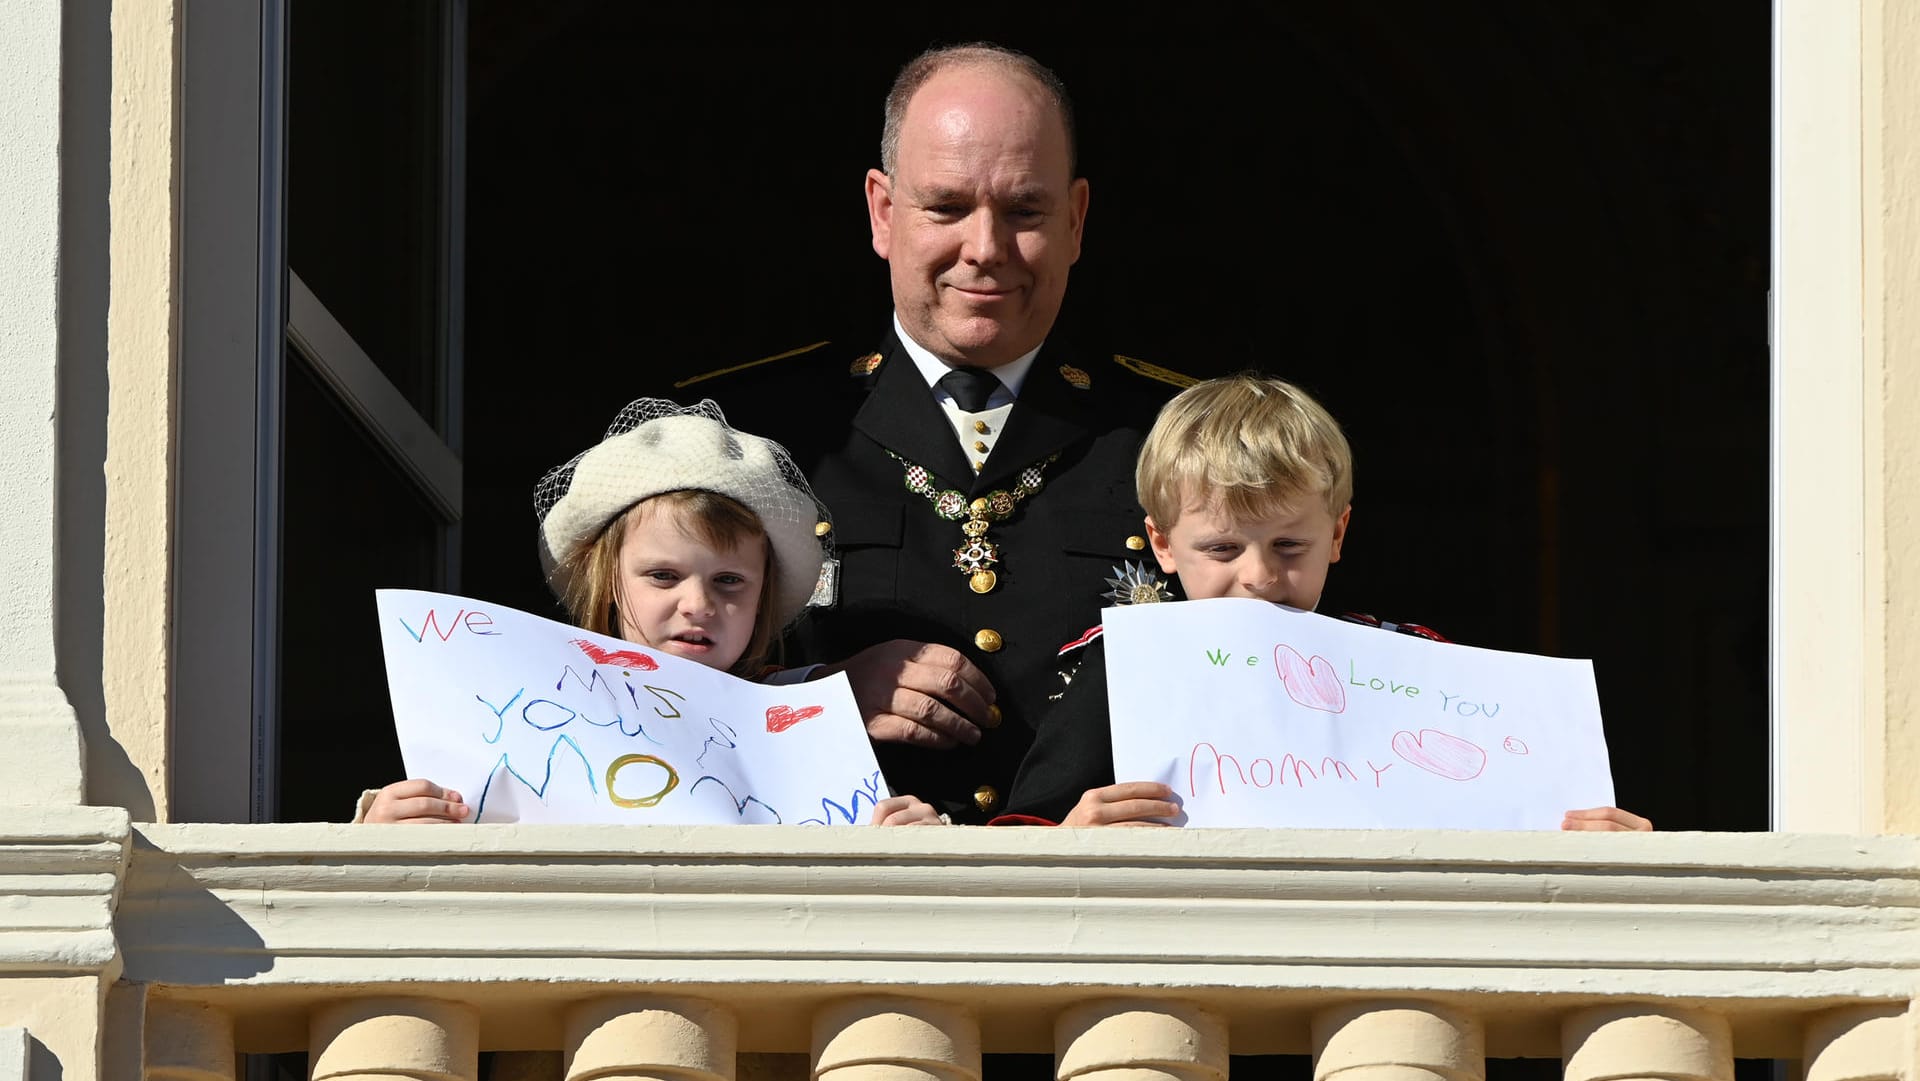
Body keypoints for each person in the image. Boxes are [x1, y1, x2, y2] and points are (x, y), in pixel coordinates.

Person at [674, 43, 1185, 823]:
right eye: (946, 207)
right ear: (883, 212)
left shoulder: (1176, 437)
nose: (984, 248)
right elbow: (637, 700)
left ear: (1077, 219)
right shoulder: (751, 435)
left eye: (1025, 211)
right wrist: (821, 699)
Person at [998, 374, 1654, 831]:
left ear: (1337, 534)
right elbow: (1021, 839)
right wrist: (1069, 834)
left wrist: (1593, 843)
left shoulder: (1418, 661)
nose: (1257, 575)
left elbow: (1519, 822)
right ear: (1163, 544)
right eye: (1223, 548)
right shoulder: (1122, 668)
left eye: (1288, 545)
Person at [361, 399, 942, 827]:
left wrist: (905, 842)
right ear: (607, 581)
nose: (698, 605)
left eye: (730, 581)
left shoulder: (817, 731)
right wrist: (385, 829)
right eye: (663, 576)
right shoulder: (508, 705)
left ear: (765, 596)